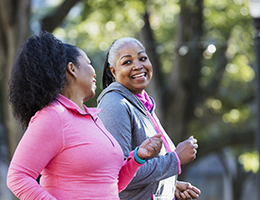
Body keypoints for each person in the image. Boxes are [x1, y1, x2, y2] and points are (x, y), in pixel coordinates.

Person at [6, 32, 163, 200]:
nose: (95, 72)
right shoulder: (53, 116)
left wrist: (138, 157)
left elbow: (111, 184)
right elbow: (18, 177)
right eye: (88, 63)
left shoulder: (93, 118)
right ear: (72, 68)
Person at [97, 37, 201, 200]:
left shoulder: (142, 104)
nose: (138, 66)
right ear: (113, 71)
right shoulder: (115, 104)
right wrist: (175, 159)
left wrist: (168, 185)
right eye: (127, 62)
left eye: (142, 58)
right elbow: (119, 174)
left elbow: (144, 169)